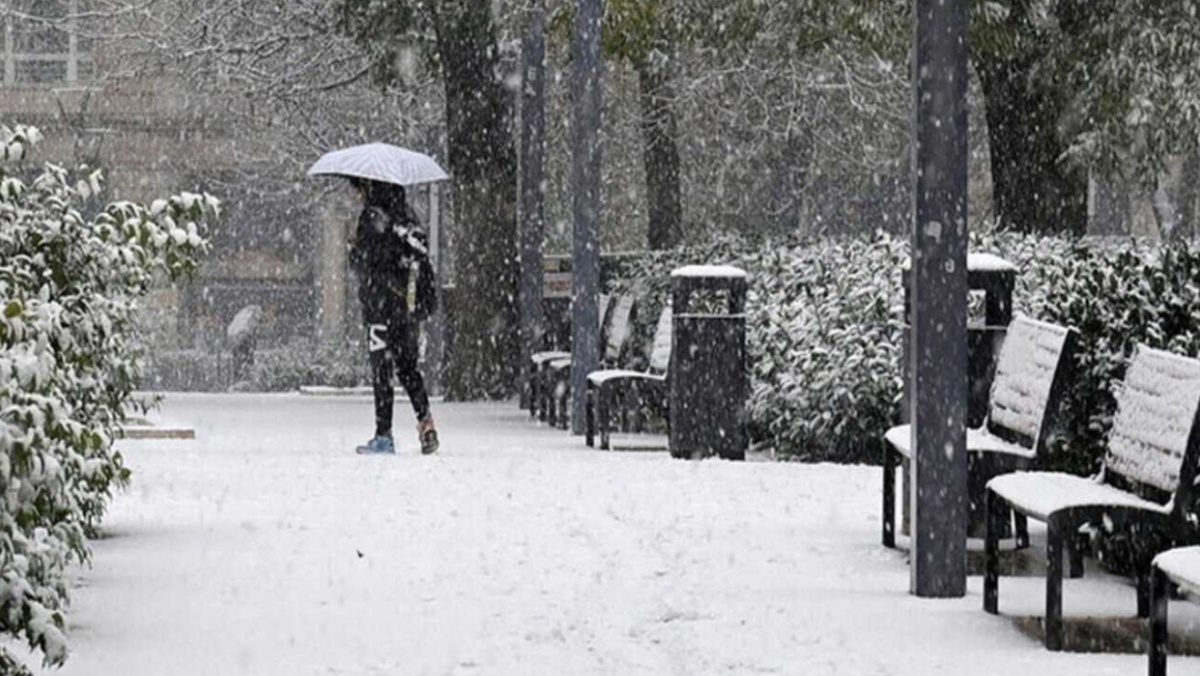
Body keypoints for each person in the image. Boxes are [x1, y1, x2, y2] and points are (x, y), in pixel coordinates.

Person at [349, 179, 439, 455]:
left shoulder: (372, 217)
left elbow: (362, 261)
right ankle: (426, 423)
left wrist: (354, 250)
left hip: (379, 308)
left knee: (382, 372)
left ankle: (384, 434)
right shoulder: (408, 218)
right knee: (409, 369)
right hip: (406, 309)